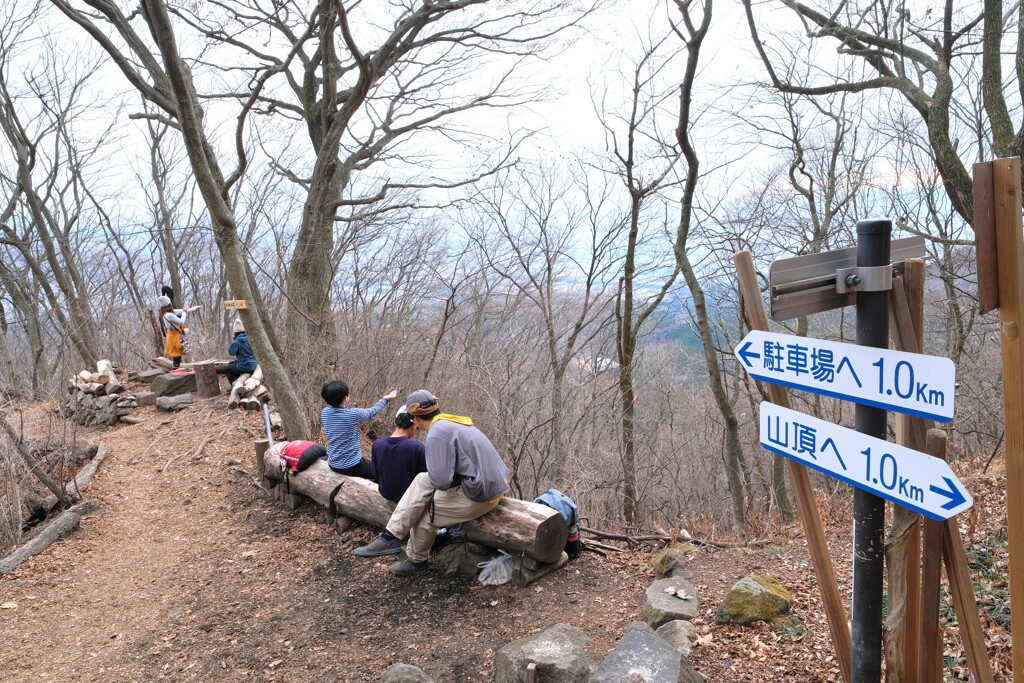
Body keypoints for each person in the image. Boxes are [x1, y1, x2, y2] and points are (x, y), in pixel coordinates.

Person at [355, 389, 510, 577]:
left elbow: (441, 481)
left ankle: (415, 560)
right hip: (491, 486)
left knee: (425, 511)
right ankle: (391, 537)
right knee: (421, 480)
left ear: (414, 419)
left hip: (481, 494)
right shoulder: (452, 423)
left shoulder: (437, 432)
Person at [320, 380, 398, 479]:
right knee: (384, 471)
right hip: (351, 466)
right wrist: (386, 399)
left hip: (333, 463)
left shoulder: (324, 413)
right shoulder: (353, 414)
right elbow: (371, 412)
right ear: (346, 397)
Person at [370, 405, 427, 503]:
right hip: (409, 497)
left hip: (385, 493)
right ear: (414, 426)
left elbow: (375, 473)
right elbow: (426, 477)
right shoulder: (417, 447)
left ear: (395, 421)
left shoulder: (377, 443)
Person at [158, 295, 195, 368]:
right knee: (176, 355)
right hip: (174, 336)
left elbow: (181, 311)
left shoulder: (168, 313)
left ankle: (176, 368)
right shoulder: (169, 315)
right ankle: (176, 370)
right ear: (169, 303)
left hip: (174, 335)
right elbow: (181, 321)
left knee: (177, 354)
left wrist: (195, 308)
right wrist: (184, 312)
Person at [224, 318, 258, 384]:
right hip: (254, 364)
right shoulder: (250, 339)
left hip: (245, 366)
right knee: (231, 363)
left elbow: (231, 352)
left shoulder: (237, 342)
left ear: (236, 332)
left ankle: (233, 385)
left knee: (226, 368)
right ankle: (238, 381)